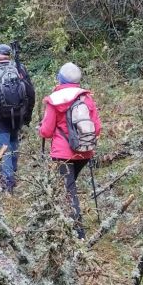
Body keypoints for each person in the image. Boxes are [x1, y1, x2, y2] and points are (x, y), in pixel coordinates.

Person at [38, 63, 100, 239]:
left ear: (60, 78)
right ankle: (67, 220)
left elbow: (46, 131)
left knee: (68, 190)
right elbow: (97, 128)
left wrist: (40, 129)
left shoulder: (54, 99)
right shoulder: (86, 98)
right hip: (85, 151)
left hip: (63, 154)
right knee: (69, 186)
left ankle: (77, 233)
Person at [0, 44, 35, 192]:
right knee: (14, 143)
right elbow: (31, 93)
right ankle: (12, 174)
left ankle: (8, 184)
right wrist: (27, 115)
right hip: (18, 114)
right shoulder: (19, 68)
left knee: (4, 148)